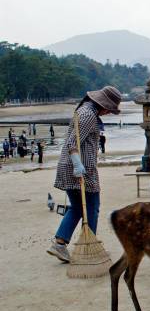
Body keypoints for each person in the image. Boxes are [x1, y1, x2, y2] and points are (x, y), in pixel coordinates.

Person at [46, 85, 122, 262]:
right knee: (92, 207)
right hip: (79, 170)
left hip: (70, 166)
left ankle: (59, 244)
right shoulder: (88, 115)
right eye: (109, 109)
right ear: (103, 105)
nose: (108, 113)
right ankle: (89, 249)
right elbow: (73, 142)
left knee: (78, 208)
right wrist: (77, 164)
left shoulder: (84, 110)